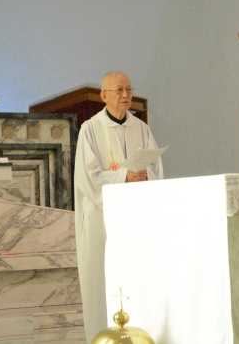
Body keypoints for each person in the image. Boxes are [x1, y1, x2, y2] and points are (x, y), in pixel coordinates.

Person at [74, 71, 164, 341]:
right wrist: (124, 176)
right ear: (103, 96)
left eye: (129, 89)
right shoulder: (90, 129)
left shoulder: (141, 128)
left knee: (136, 280)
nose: (125, 95)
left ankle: (139, 336)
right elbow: (87, 177)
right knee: (102, 282)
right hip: (101, 219)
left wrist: (144, 175)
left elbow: (156, 169)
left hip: (135, 219)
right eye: (119, 90)